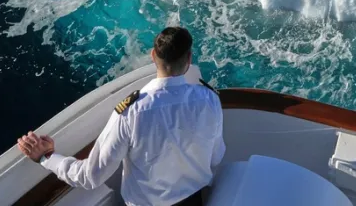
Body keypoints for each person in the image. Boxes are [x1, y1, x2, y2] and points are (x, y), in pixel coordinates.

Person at [17, 27, 225, 206]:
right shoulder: (210, 99)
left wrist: (46, 157)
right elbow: (216, 156)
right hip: (196, 201)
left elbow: (91, 176)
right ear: (189, 58)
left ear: (153, 56)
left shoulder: (131, 112)